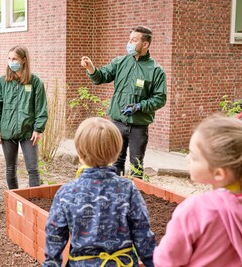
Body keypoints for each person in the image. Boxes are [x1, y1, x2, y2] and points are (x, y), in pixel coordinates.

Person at [43, 117, 156, 267]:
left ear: (80, 152)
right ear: (116, 152)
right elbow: (143, 237)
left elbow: (54, 239)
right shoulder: (127, 189)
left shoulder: (66, 193)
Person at [154, 114, 242, 267]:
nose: (187, 158)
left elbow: (166, 259)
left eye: (194, 157)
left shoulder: (196, 208)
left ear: (218, 173)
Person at [81, 26, 167, 178]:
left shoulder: (155, 70)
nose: (129, 43)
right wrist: (91, 68)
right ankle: (115, 195)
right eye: (129, 39)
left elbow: (160, 98)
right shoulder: (120, 62)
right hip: (117, 123)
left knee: (136, 165)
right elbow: (101, 76)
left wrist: (140, 106)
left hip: (138, 126)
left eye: (134, 40)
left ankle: (133, 196)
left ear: (145, 44)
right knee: (115, 162)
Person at [0, 45, 48, 189]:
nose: (11, 62)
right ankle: (15, 200)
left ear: (23, 60)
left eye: (14, 59)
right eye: (9, 59)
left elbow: (41, 108)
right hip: (7, 131)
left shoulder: (35, 82)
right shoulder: (3, 81)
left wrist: (38, 129)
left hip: (28, 132)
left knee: (33, 169)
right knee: (10, 169)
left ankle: (34, 204)